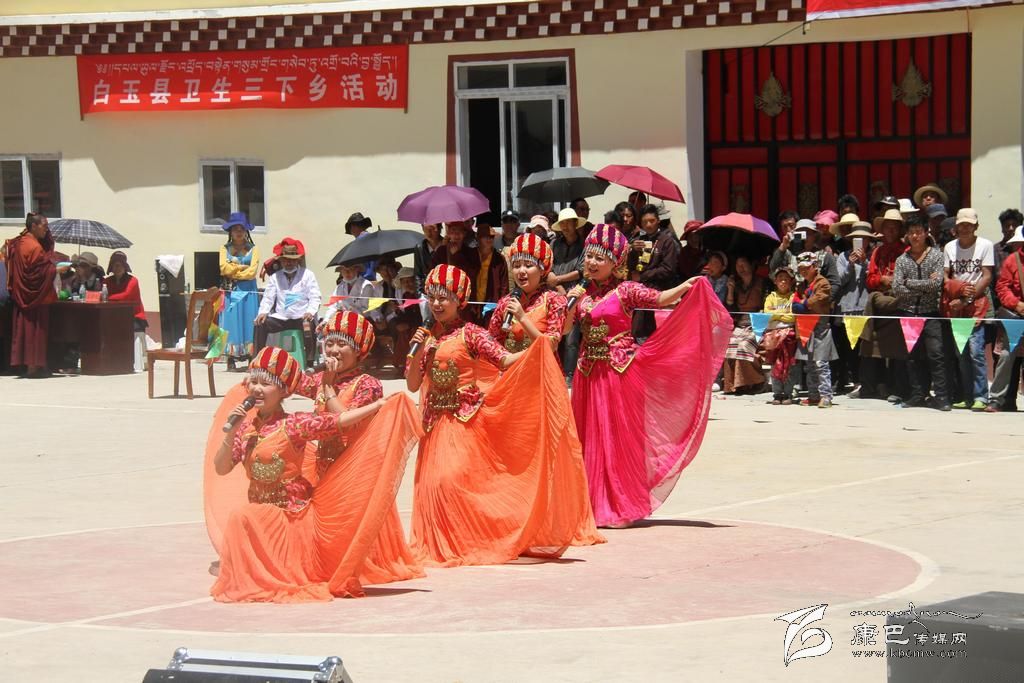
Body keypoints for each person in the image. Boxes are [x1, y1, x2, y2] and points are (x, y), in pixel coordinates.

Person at [406, 264, 602, 566]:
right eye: (432, 297)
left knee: (452, 480)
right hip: (434, 424)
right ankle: (443, 542)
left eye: (444, 297)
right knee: (432, 486)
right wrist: (419, 350)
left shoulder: (472, 333)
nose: (436, 303)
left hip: (463, 421)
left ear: (459, 299)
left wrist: (537, 350)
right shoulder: (428, 338)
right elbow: (413, 384)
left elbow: (504, 359)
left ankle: (474, 538)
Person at [203, 346, 420, 602]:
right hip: (262, 513)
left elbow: (338, 421)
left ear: (283, 391)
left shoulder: (294, 425)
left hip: (290, 517)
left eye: (266, 384)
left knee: (242, 516)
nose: (257, 389)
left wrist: (376, 406)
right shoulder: (246, 429)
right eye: (254, 382)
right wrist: (230, 433)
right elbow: (222, 468)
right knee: (243, 517)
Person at [564, 225, 731, 528]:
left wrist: (685, 286)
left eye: (600, 257)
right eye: (589, 256)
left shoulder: (626, 290)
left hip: (619, 373)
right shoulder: (582, 293)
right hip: (588, 374)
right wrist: (571, 304)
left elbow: (659, 299)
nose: (592, 262)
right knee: (590, 438)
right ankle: (591, 503)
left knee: (618, 438)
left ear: (616, 262)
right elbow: (565, 331)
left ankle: (620, 505)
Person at [293, 311, 424, 584]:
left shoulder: (367, 384)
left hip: (353, 468)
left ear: (359, 350)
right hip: (324, 465)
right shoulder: (322, 379)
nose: (333, 350)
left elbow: (347, 422)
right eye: (329, 342)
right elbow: (290, 381)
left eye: (342, 344)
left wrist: (328, 389)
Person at [892, 221, 950, 411]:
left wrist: (909, 282)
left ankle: (941, 397)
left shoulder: (936, 256)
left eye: (918, 232)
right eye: (911, 232)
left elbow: (936, 285)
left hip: (930, 312)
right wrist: (923, 285)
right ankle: (917, 394)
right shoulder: (902, 260)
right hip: (908, 312)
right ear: (907, 235)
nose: (915, 236)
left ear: (926, 233)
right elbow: (897, 288)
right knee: (912, 356)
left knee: (936, 354)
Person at [855, 209, 909, 401]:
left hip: (898, 303)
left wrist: (894, 282)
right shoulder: (877, 252)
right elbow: (870, 279)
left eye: (895, 227)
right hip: (877, 303)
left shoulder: (906, 251)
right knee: (870, 344)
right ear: (883, 230)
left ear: (900, 229)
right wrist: (882, 280)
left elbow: (908, 277)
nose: (891, 231)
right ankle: (871, 385)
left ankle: (897, 388)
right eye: (888, 227)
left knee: (898, 349)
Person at [944, 208, 995, 411]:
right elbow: (945, 276)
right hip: (956, 305)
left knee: (976, 352)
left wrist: (966, 300)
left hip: (977, 305)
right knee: (961, 352)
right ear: (956, 227)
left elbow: (987, 276)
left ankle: (981, 396)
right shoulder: (949, 247)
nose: (965, 228)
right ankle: (966, 396)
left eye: (969, 225)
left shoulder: (985, 245)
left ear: (976, 226)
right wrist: (955, 291)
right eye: (961, 225)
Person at [6, 213, 64, 377]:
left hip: (22, 295)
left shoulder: (20, 242)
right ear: (33, 226)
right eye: (44, 225)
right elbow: (38, 273)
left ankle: (29, 366)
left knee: (26, 330)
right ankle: (33, 367)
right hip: (35, 297)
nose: (47, 229)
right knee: (35, 331)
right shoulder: (34, 247)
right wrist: (56, 269)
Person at [489, 234, 567, 353]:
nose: (521, 271)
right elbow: (492, 345)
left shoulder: (554, 301)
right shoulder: (505, 303)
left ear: (541, 270)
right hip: (512, 364)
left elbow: (551, 346)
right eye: (516, 266)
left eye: (528, 265)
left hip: (542, 364)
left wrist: (522, 317)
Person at [253, 238, 321, 362]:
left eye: (292, 260)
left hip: (301, 317)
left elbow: (315, 297)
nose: (289, 263)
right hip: (281, 318)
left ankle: (309, 362)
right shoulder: (275, 277)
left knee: (308, 325)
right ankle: (258, 359)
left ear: (297, 260)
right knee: (260, 323)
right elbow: (268, 298)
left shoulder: (308, 275)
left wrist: (310, 312)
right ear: (281, 261)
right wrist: (263, 312)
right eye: (286, 260)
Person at [832, 223, 876, 393]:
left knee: (860, 348)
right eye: (857, 239)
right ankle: (841, 380)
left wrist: (864, 262)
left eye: (864, 239)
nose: (861, 242)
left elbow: (873, 280)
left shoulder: (872, 256)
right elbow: (839, 281)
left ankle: (860, 380)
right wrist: (850, 265)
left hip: (863, 307)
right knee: (843, 346)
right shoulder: (842, 257)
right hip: (845, 306)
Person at [792, 251, 837, 408]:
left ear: (815, 266)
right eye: (801, 268)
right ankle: (813, 395)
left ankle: (826, 396)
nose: (803, 271)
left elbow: (818, 300)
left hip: (820, 326)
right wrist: (803, 303)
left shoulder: (823, 283)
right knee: (809, 363)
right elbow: (794, 302)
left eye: (806, 267)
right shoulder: (801, 285)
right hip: (805, 326)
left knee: (821, 362)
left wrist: (804, 303)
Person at [988, 225, 1024, 412]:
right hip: (1016, 317)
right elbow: (1002, 287)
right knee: (1006, 356)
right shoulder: (1013, 260)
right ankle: (996, 399)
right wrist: (1016, 304)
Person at [218, 212, 260, 368]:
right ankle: (231, 357)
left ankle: (250, 355)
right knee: (231, 322)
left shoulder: (253, 249)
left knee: (249, 321)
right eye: (235, 229)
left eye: (241, 229)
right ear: (230, 231)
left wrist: (234, 269)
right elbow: (223, 268)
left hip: (248, 291)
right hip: (231, 291)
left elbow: (252, 272)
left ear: (246, 231)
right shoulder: (224, 249)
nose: (239, 232)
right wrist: (241, 268)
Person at [723, 255, 767, 395]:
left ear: (751, 265)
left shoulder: (762, 283)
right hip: (741, 323)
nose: (740, 268)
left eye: (743, 264)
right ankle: (733, 385)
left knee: (744, 345)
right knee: (729, 345)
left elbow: (767, 304)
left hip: (758, 322)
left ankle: (757, 381)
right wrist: (730, 290)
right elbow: (731, 308)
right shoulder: (737, 285)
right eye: (737, 265)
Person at [762, 267, 798, 404]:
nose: (783, 281)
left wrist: (776, 313)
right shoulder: (770, 297)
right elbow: (767, 314)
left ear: (791, 281)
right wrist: (784, 313)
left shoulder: (794, 297)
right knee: (774, 363)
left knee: (789, 364)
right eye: (780, 279)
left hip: (789, 335)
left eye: (786, 279)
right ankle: (777, 394)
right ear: (775, 281)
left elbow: (793, 317)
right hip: (773, 336)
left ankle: (788, 393)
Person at [104, 251, 148, 332]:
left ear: (125, 267)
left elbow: (125, 296)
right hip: (114, 316)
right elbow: (101, 294)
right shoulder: (107, 281)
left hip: (134, 316)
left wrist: (107, 298)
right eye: (115, 265)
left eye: (120, 265)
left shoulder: (133, 280)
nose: (117, 268)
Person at [390, 267, 422, 363]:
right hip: (412, 324)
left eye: (410, 281)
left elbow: (422, 315)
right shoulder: (406, 296)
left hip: (421, 325)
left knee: (410, 333)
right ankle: (403, 362)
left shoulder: (420, 295)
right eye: (404, 282)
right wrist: (398, 312)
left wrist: (408, 325)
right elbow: (408, 314)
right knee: (401, 330)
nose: (407, 284)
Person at [473, 222, 508, 309]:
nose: (489, 239)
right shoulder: (470, 255)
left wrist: (501, 304)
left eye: (491, 237)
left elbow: (504, 286)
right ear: (478, 238)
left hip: (491, 304)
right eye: (485, 236)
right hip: (471, 303)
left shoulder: (499, 259)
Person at [345, 212, 376, 281]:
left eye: (351, 227)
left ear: (353, 227)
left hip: (363, 280)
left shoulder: (358, 242)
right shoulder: (373, 239)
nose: (351, 230)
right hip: (373, 279)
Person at [414, 223, 444, 292]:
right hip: (427, 290)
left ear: (439, 229)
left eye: (432, 229)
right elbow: (418, 273)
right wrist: (420, 293)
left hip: (444, 289)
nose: (429, 233)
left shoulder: (447, 245)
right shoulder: (419, 247)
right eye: (426, 229)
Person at [994, 209, 1023, 275]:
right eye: (1007, 226)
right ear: (1002, 229)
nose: (1011, 228)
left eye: (1015, 225)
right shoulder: (995, 250)